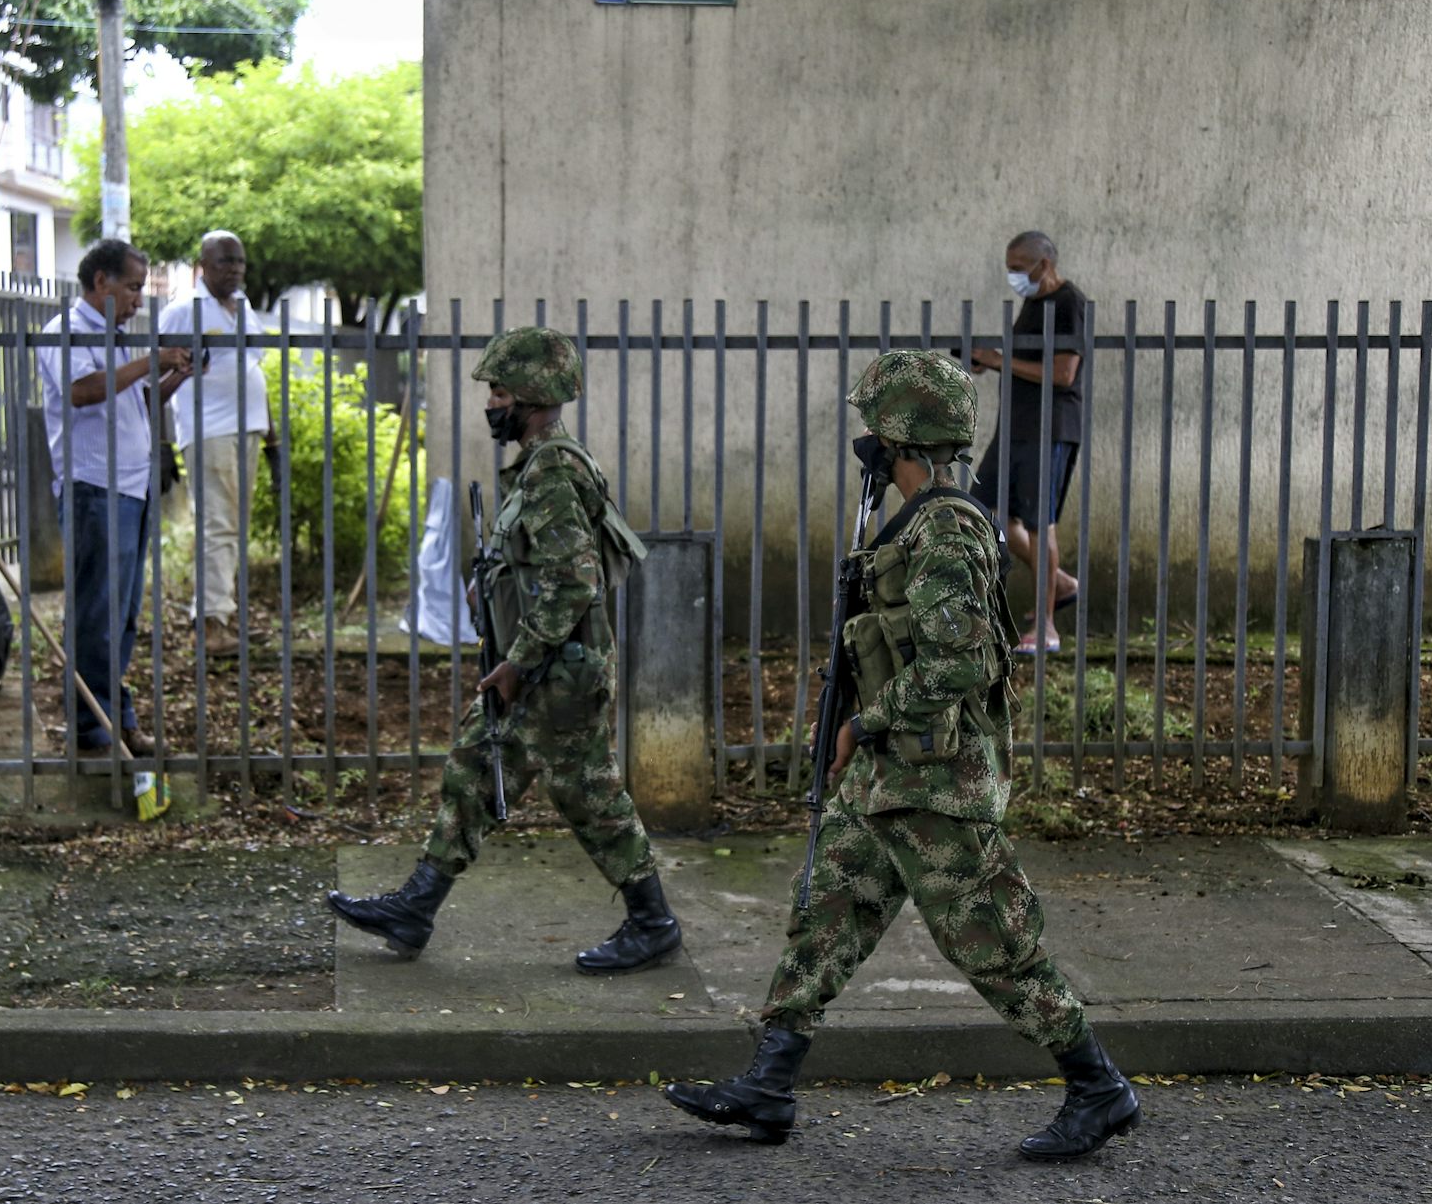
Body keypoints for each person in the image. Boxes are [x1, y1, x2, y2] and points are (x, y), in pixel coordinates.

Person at [664, 351, 1138, 1160]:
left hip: (936, 782)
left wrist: (864, 722)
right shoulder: (918, 522)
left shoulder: (949, 526)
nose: (867, 445)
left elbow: (958, 665)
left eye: (875, 430)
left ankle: (1098, 1085)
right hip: (890, 774)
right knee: (827, 913)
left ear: (902, 439)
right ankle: (770, 1084)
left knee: (989, 938)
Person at [325, 327, 683, 975]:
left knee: (588, 792)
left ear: (530, 395)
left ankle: (654, 922)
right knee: (472, 768)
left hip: (558, 669)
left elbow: (575, 578)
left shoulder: (551, 467)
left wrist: (518, 663)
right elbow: (540, 561)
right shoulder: (542, 461)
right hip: (549, 662)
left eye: (499, 390)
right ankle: (417, 904)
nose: (491, 402)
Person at [37, 239, 192, 820]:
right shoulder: (66, 332)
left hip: (132, 486)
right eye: (131, 287)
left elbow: (135, 402)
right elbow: (82, 393)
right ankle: (94, 726)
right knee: (98, 610)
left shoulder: (116, 341)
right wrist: (152, 358)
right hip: (94, 488)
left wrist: (173, 374)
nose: (136, 299)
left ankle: (109, 717)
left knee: (122, 612)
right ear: (101, 283)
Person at [157, 230, 278, 655]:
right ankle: (209, 623)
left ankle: (222, 614)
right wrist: (161, 443)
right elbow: (156, 381)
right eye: (226, 261)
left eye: (240, 261)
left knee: (234, 526)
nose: (236, 269)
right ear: (202, 266)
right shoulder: (182, 312)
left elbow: (251, 368)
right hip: (209, 430)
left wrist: (271, 431)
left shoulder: (242, 305)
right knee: (218, 524)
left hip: (246, 428)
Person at [968, 230, 1085, 655]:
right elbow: (1028, 365)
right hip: (1014, 426)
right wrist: (990, 363)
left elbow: (1062, 374)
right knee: (985, 508)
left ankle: (1047, 626)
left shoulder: (1068, 302)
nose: (1013, 276)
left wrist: (1000, 360)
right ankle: (1060, 583)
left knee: (1038, 523)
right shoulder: (1034, 303)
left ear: (1044, 265)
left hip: (1048, 427)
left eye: (1019, 268)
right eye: (1010, 267)